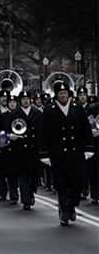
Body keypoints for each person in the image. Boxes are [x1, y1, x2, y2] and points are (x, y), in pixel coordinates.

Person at [40, 82, 96, 225]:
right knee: (61, 185)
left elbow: (86, 130)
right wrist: (44, 153)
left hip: (76, 153)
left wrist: (89, 148)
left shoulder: (78, 109)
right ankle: (65, 211)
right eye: (60, 94)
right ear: (57, 95)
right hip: (58, 154)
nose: (63, 96)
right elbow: (44, 133)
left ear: (69, 95)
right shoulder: (49, 110)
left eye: (65, 93)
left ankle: (71, 206)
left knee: (77, 183)